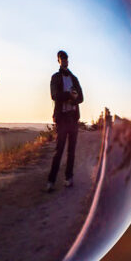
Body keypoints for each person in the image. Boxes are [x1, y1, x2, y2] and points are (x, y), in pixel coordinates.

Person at [47, 50, 84, 191]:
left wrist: (74, 99)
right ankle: (51, 181)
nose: (64, 60)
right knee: (59, 150)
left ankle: (69, 178)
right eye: (61, 58)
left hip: (73, 118)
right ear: (58, 61)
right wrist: (68, 95)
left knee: (71, 151)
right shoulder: (55, 77)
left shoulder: (74, 78)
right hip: (62, 119)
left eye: (66, 58)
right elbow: (54, 95)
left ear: (68, 60)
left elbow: (81, 98)